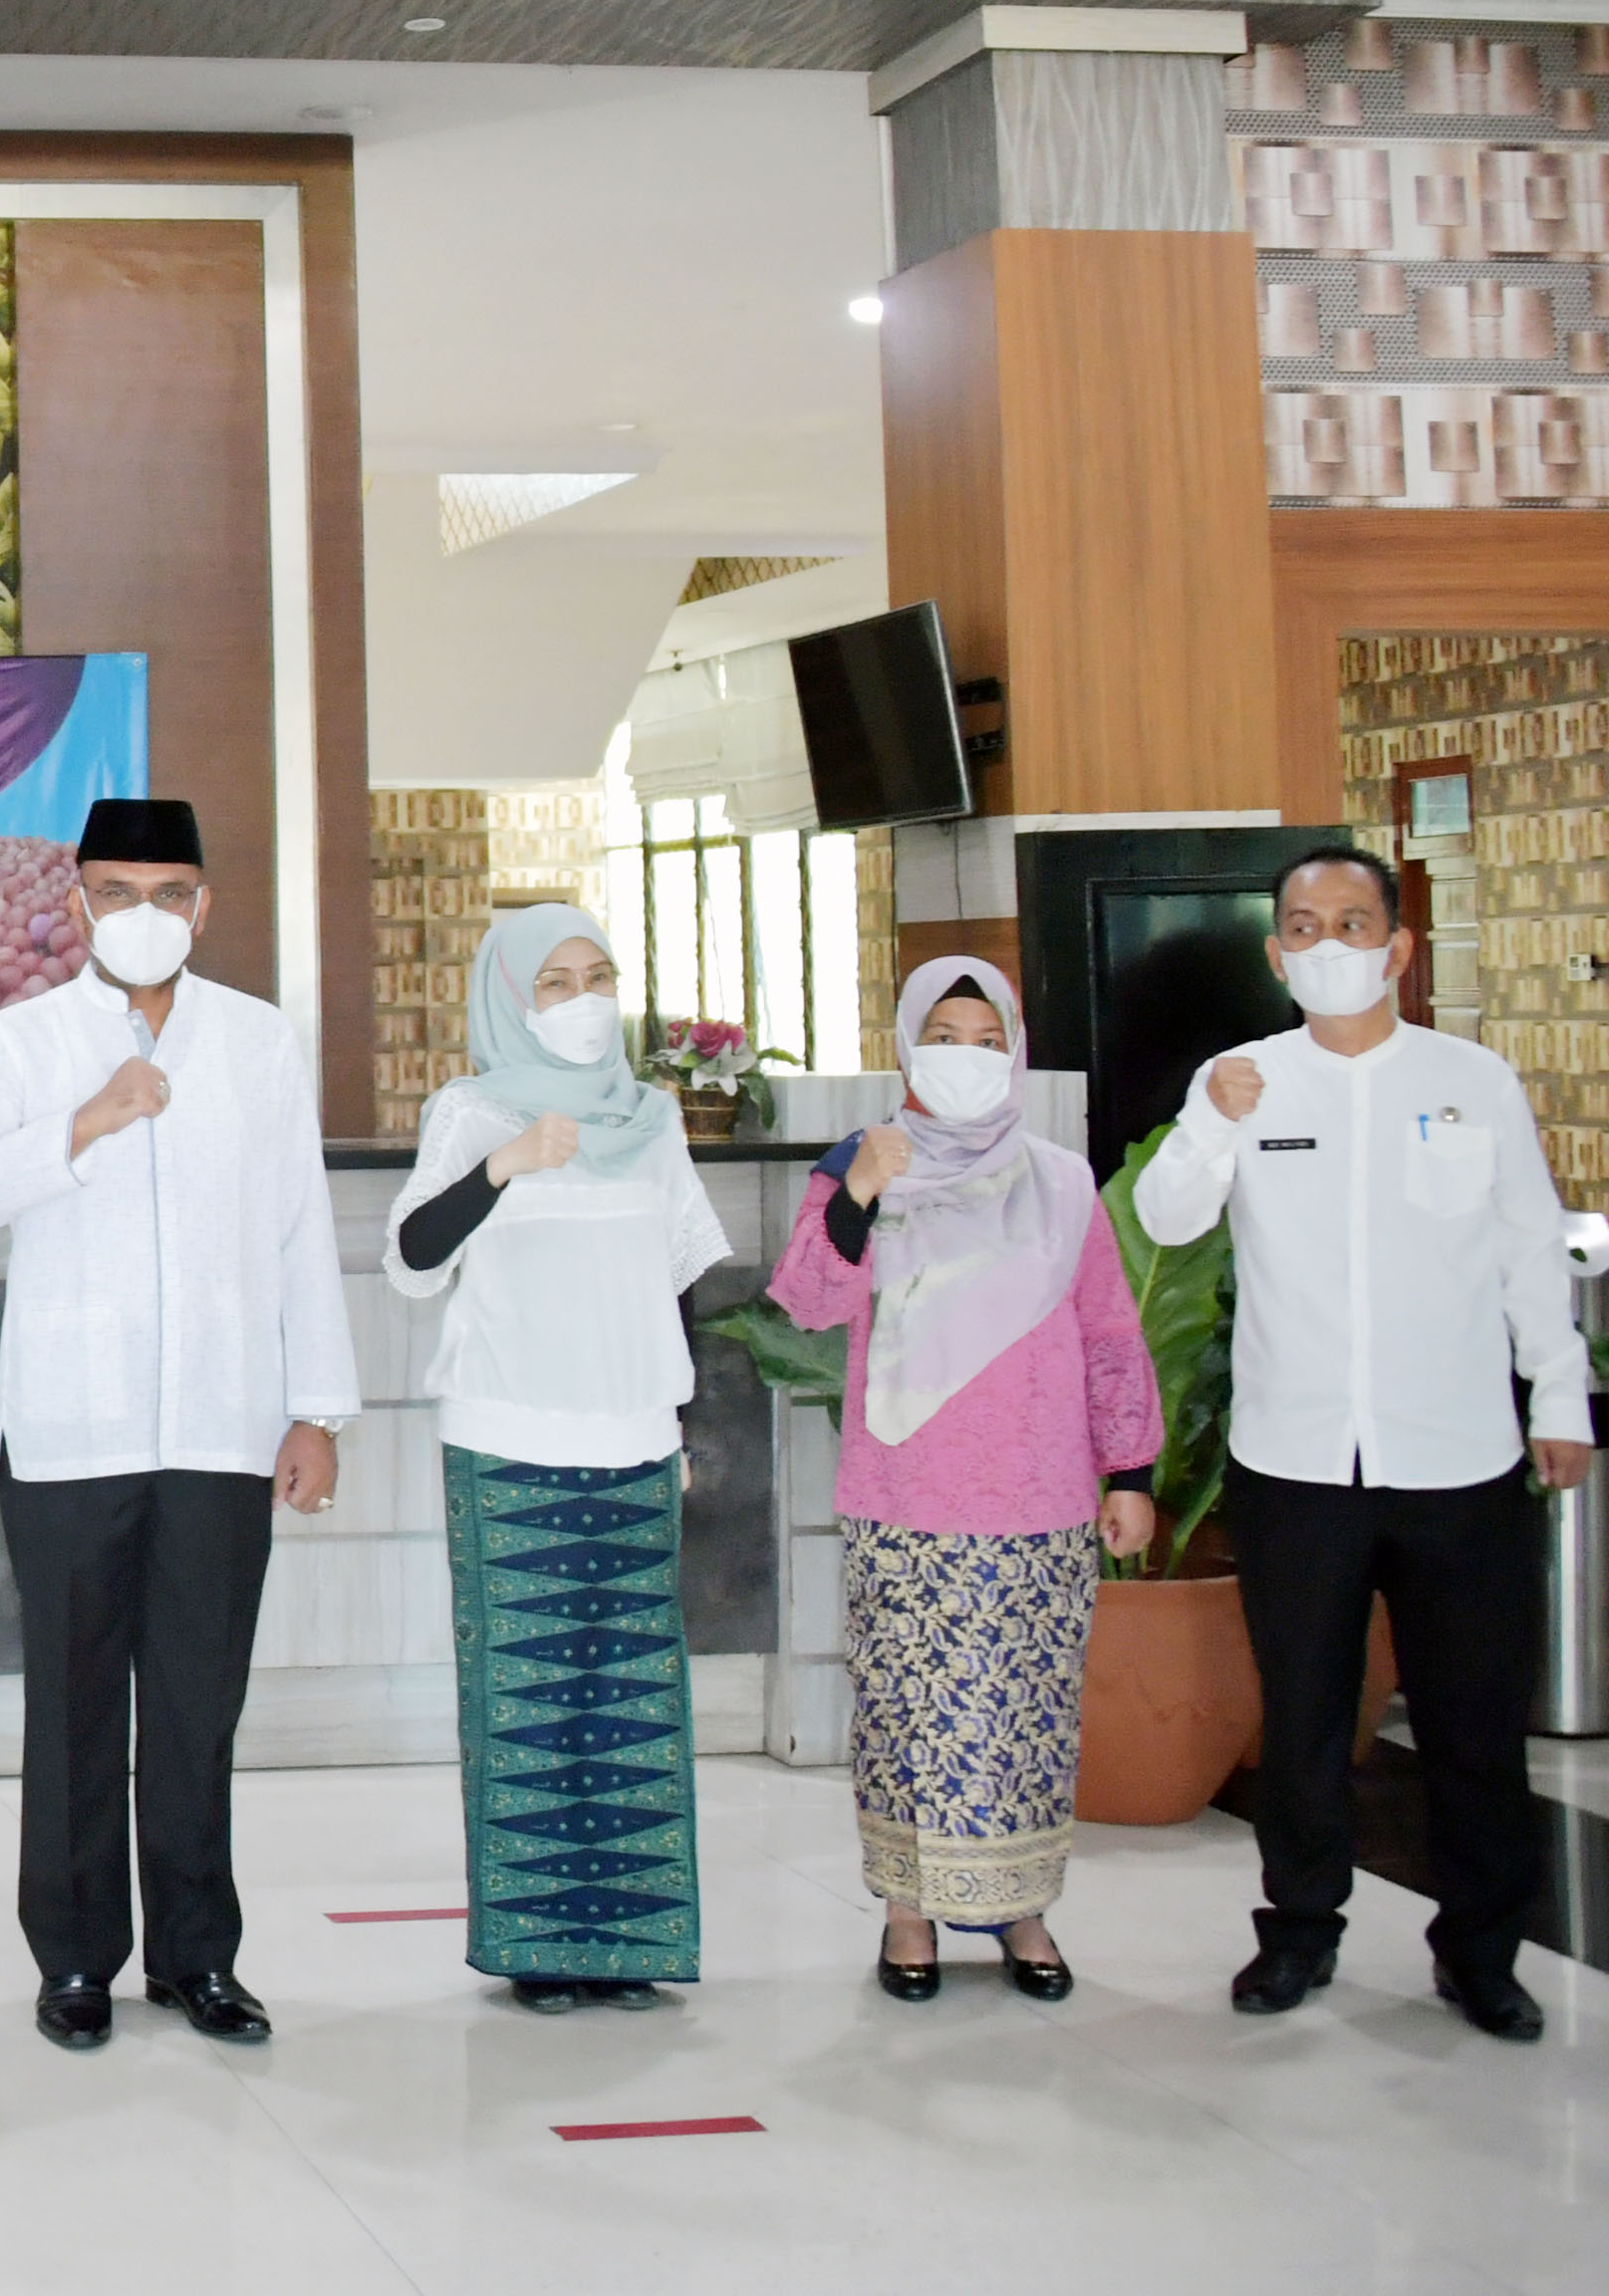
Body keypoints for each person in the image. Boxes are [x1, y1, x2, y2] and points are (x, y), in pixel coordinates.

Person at [1135, 842, 1595, 2042]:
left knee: (1473, 1727)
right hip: (1296, 1465)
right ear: (1275, 952)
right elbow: (1166, 1217)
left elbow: (1528, 1242)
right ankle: (1299, 1931)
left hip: (1459, 1460)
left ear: (1397, 948)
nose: (1327, 945)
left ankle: (1482, 1954)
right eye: (1303, 926)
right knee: (1302, 1720)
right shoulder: (1243, 1079)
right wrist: (1212, 1125)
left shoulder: (1470, 1081)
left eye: (1351, 924)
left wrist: (1558, 1396)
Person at [0, 797, 356, 2052]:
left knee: (195, 1705)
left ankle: (196, 1958)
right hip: (71, 1430)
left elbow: (302, 1227)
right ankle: (74, 1960)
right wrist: (85, 1123)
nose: (143, 915)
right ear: (78, 905)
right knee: (72, 1708)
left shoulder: (258, 1041)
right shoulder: (23, 1040)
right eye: (115, 893)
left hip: (224, 1425)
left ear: (202, 907)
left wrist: (317, 1408)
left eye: (168, 894)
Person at [763, 957, 1160, 2000]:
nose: (968, 1058)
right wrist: (859, 1192)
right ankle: (908, 1912)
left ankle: (1023, 1908)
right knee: (908, 1708)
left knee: (1026, 1709)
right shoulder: (862, 1163)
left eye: (990, 1041)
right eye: (945, 1036)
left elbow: (1110, 1329)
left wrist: (1130, 1467)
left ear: (1016, 1051)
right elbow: (808, 1300)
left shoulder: (1060, 1180)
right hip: (907, 1490)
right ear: (906, 1045)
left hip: (1040, 1490)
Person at [381, 903, 725, 2012]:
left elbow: (681, 1279)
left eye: (599, 976)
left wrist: (684, 1427)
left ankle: (627, 1945)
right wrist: (501, 1167)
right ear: (509, 1000)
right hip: (509, 1438)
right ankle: (537, 1946)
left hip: (634, 1437)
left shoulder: (652, 1118)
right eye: (556, 982)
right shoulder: (472, 1110)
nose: (584, 1001)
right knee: (530, 1696)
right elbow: (411, 1258)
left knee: (630, 1697)